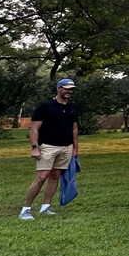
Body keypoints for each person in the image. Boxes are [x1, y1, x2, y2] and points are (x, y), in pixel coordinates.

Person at [20, 78, 79, 220]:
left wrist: (75, 149)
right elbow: (34, 129)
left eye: (71, 89)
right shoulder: (45, 107)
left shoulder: (72, 107)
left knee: (55, 175)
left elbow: (74, 128)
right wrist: (35, 147)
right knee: (41, 176)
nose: (69, 92)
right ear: (59, 88)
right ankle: (26, 210)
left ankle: (45, 207)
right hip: (47, 146)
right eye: (67, 88)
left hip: (66, 147)